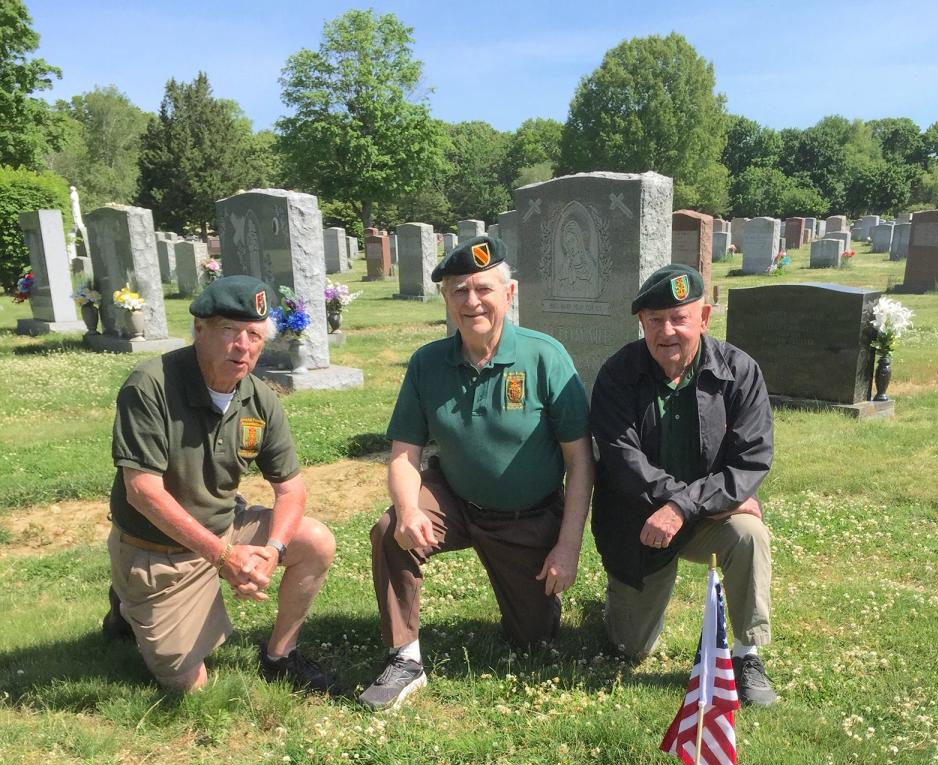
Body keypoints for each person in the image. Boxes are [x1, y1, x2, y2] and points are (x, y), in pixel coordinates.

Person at [360, 234, 594, 711]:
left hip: (526, 518)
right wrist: (407, 509)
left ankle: (535, 608)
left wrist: (568, 545)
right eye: (458, 290)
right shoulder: (428, 363)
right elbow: (404, 450)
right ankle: (404, 658)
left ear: (509, 294)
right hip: (457, 501)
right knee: (389, 530)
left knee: (534, 642)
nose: (472, 301)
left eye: (483, 288)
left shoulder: (544, 356)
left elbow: (580, 460)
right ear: (445, 298)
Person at [103, 274, 336, 694]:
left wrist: (272, 550)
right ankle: (128, 604)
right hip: (160, 551)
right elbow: (141, 490)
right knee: (192, 686)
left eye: (253, 334)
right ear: (200, 329)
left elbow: (291, 488)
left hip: (223, 527)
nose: (242, 345)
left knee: (315, 540)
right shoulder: (151, 386)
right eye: (229, 330)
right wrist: (223, 557)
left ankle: (279, 655)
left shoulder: (259, 397)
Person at [590, 263, 776, 706]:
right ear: (642, 323)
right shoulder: (617, 375)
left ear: (704, 318)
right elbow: (623, 462)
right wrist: (687, 504)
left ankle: (746, 654)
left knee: (749, 534)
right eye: (655, 320)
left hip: (709, 516)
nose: (667, 331)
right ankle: (623, 607)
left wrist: (686, 506)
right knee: (629, 648)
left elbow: (751, 460)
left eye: (680, 318)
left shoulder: (739, 371)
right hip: (640, 524)